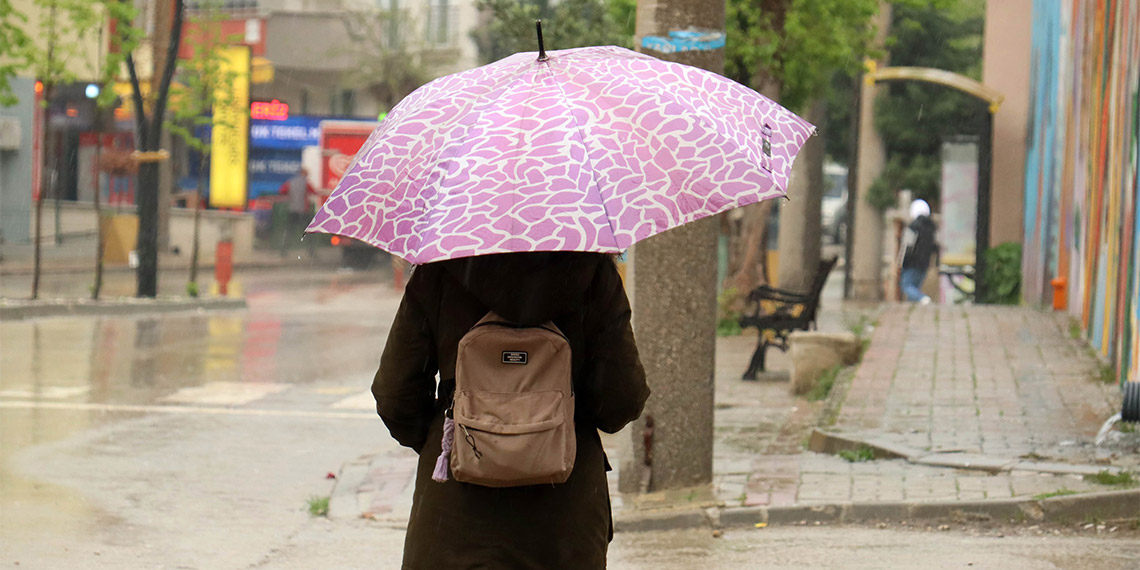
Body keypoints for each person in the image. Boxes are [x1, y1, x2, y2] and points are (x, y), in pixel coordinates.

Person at [373, 252, 650, 569]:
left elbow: (395, 393)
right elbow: (621, 400)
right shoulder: (592, 273)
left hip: (454, 518)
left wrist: (453, 437)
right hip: (563, 518)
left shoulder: (439, 271)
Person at [899, 199, 939, 304]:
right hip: (925, 263)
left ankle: (922, 298)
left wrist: (901, 262)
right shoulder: (932, 228)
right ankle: (914, 308)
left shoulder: (913, 226)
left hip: (911, 263)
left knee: (906, 286)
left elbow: (906, 245)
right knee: (915, 287)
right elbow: (936, 246)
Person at [278, 167, 315, 256]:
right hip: (303, 211)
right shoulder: (306, 183)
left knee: (289, 232)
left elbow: (281, 191)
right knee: (307, 232)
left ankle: (284, 251)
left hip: (292, 210)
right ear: (305, 174)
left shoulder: (290, 182)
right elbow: (313, 191)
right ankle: (311, 251)